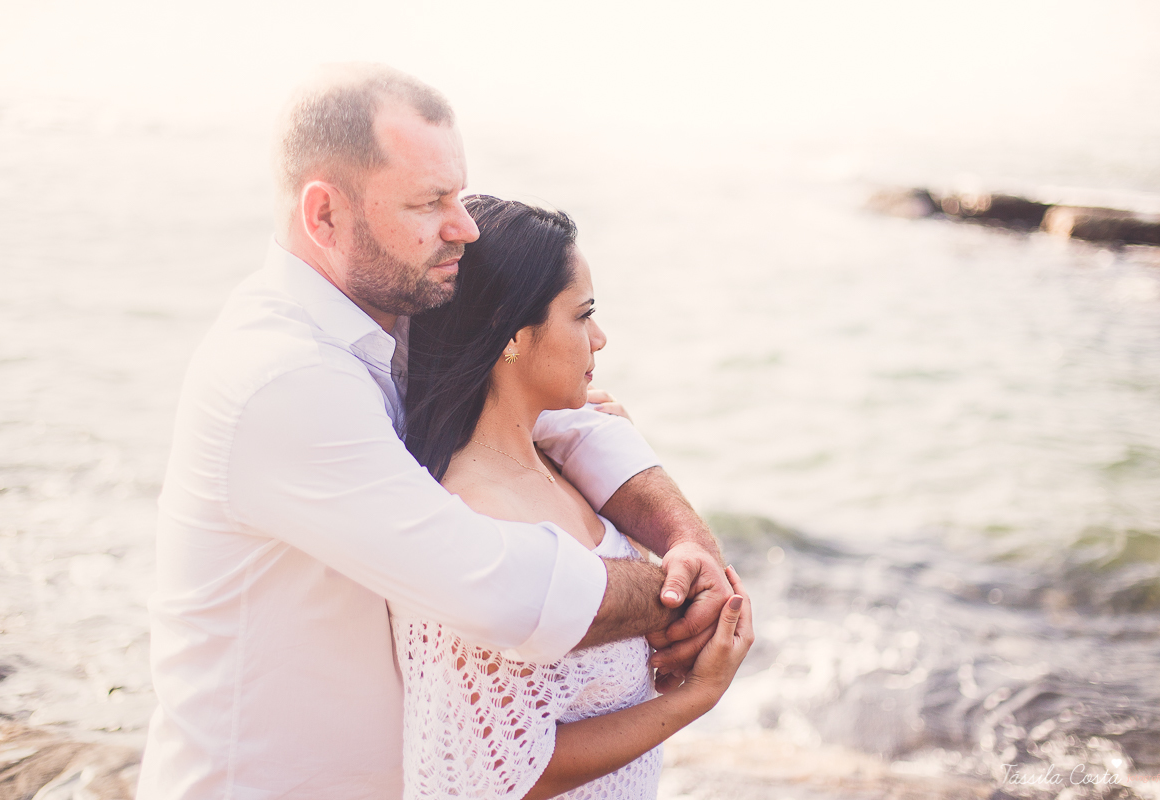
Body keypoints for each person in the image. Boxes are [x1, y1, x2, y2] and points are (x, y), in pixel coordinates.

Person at [136, 63, 732, 800]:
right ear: (324, 215)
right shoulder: (280, 380)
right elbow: (492, 588)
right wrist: (678, 596)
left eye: (458, 193)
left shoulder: (400, 307)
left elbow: (569, 418)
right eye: (429, 202)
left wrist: (689, 544)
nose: (464, 227)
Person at [394, 196, 754, 799]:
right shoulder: (477, 522)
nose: (600, 338)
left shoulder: (553, 459)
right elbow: (503, 772)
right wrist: (698, 696)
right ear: (511, 335)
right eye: (582, 315)